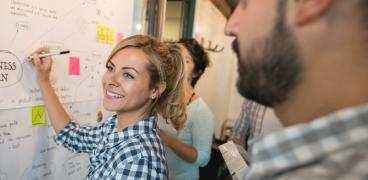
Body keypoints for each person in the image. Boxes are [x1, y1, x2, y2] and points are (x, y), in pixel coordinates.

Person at [225, 0, 368, 179]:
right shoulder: (258, 92)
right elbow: (234, 141)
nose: (229, 27)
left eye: (245, 3)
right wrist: (239, 175)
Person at [31, 35, 187, 179]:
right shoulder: (114, 127)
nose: (110, 80)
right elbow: (72, 136)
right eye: (111, 68)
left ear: (156, 89)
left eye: (128, 75)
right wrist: (44, 80)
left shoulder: (139, 161)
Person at [157, 39, 214, 180]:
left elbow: (203, 159)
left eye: (186, 61)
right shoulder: (157, 96)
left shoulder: (201, 111)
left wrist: (169, 140)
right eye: (176, 57)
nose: (178, 63)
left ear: (196, 73)